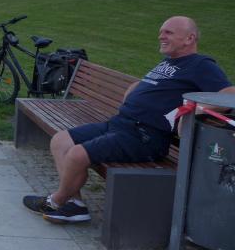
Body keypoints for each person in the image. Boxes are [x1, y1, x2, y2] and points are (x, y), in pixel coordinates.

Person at [23, 16, 234, 224]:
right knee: (61, 141)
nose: (161, 36)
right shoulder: (170, 61)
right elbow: (152, 85)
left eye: (168, 32)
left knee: (76, 154)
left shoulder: (201, 65)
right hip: (121, 124)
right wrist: (135, 90)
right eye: (161, 32)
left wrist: (197, 110)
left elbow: (229, 94)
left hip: (145, 136)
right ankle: (75, 205)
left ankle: (55, 201)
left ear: (189, 38)